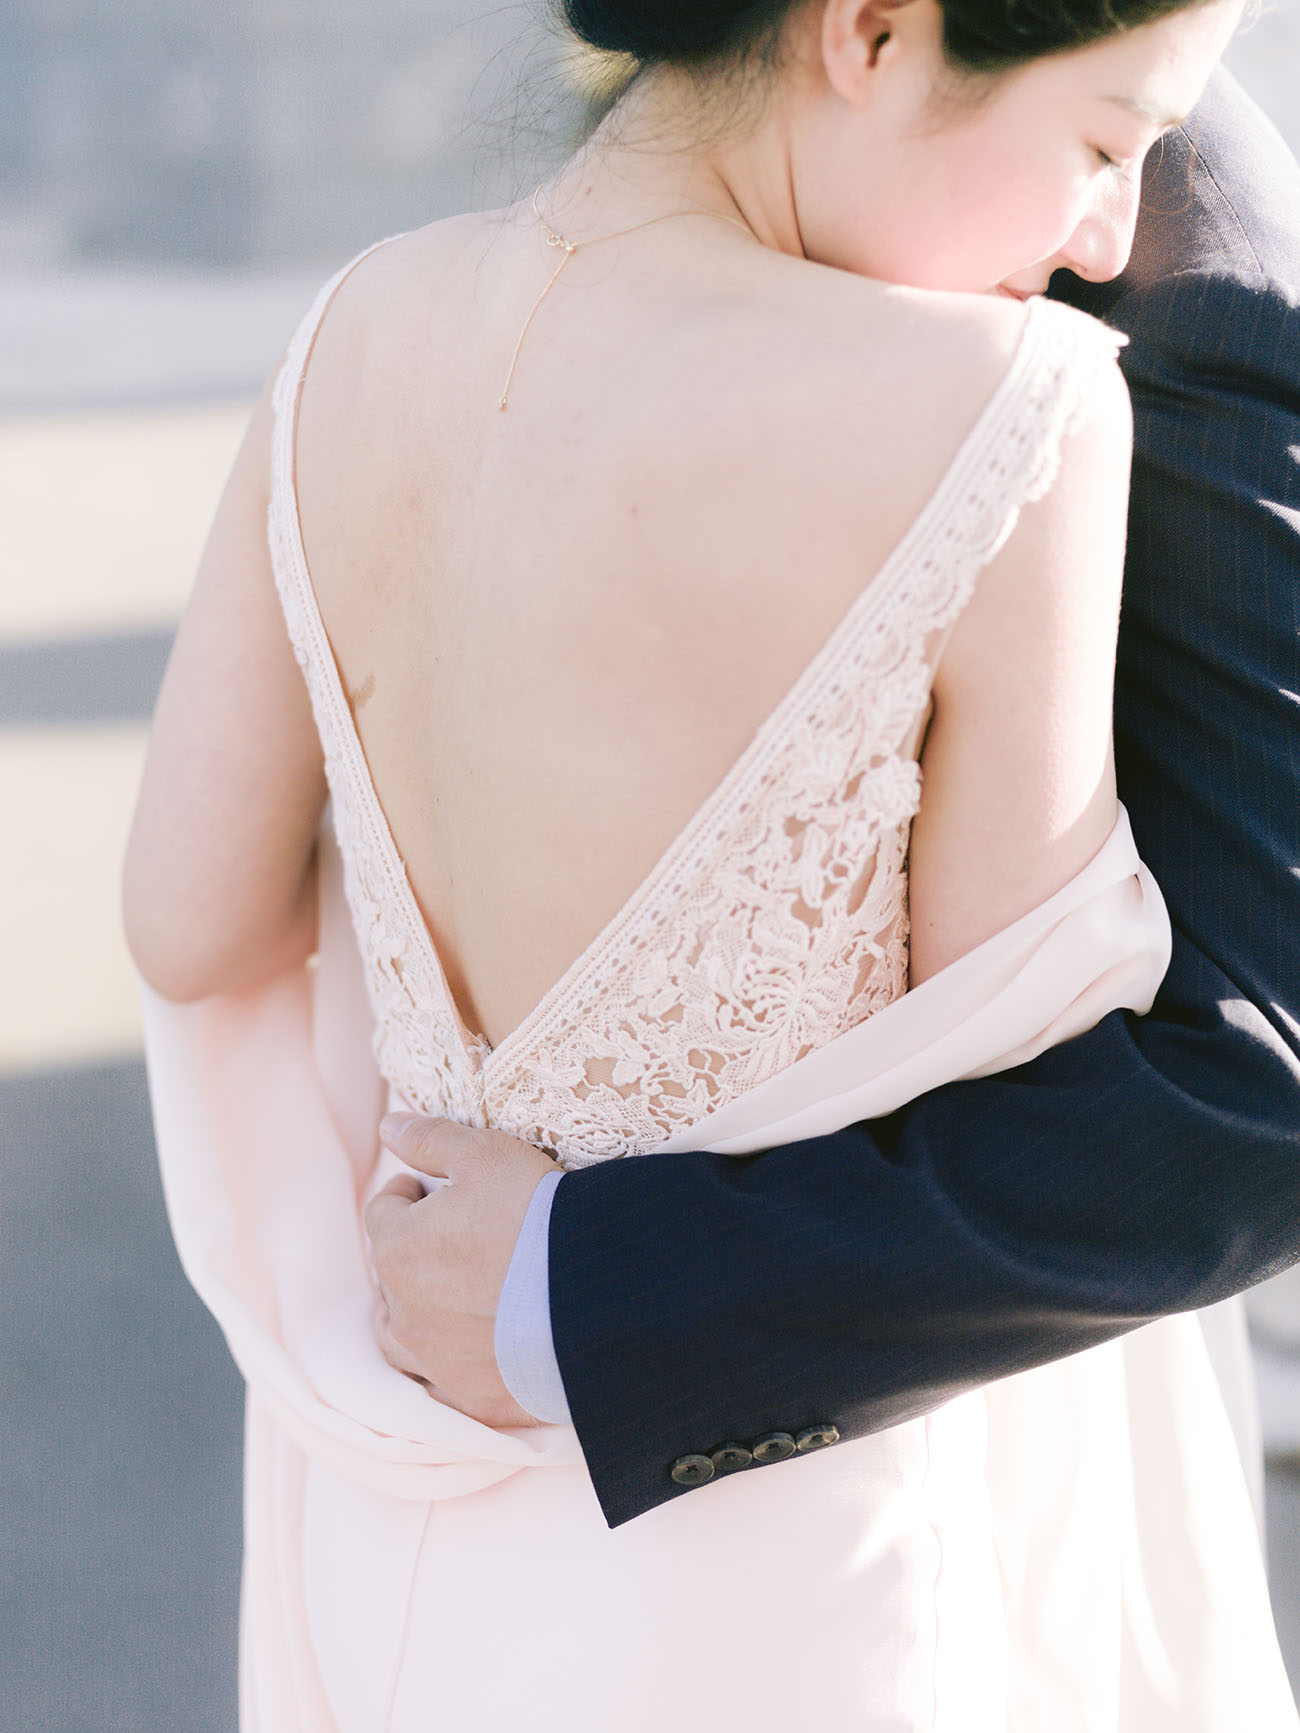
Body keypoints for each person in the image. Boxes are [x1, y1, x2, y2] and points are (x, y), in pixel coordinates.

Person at [124, 0, 1300, 1725]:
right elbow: (1019, 1053)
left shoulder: (355, 326)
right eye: (1107, 143)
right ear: (875, 32)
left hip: (410, 1517)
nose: (1112, 239)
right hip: (791, 1560)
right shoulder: (1016, 412)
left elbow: (183, 918)